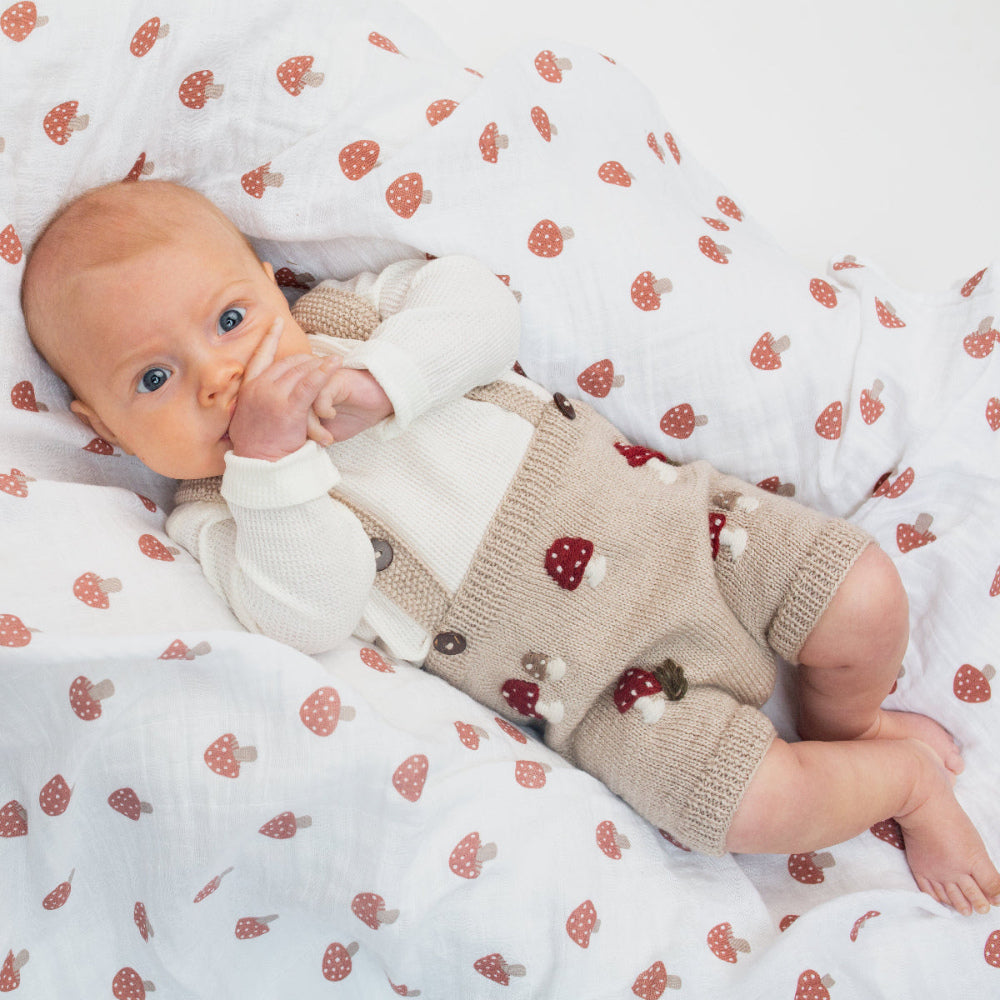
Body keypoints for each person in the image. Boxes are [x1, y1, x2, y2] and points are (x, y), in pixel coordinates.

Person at [21, 179, 1000, 916]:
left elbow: (482, 308)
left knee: (862, 595)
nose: (220, 376)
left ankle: (847, 731)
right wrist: (271, 468)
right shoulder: (218, 514)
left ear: (270, 282)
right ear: (99, 423)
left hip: (696, 534)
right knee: (739, 812)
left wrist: (391, 378)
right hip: (611, 692)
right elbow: (307, 609)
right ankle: (901, 783)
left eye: (231, 319)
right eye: (154, 378)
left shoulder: (349, 319)